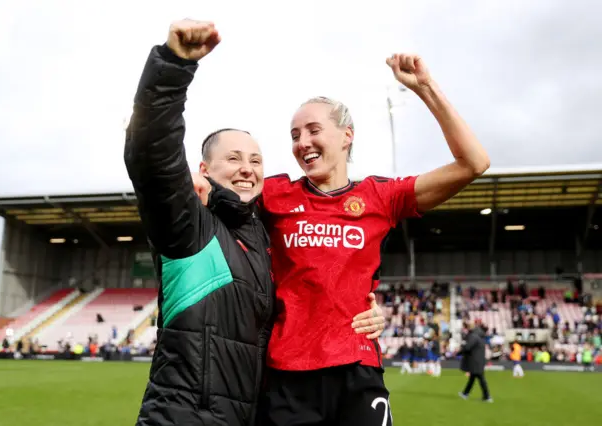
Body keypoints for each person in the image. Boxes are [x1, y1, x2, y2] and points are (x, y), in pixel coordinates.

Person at [193, 35, 489, 426]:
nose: (303, 143)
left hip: (357, 369)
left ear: (347, 135)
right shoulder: (275, 193)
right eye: (295, 135)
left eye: (313, 130)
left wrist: (425, 88)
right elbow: (211, 191)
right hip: (286, 375)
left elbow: (474, 163)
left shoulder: (381, 197)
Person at [124, 19, 386, 426]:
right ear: (203, 169)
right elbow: (152, 156)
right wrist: (173, 66)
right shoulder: (189, 227)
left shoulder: (263, 241)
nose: (247, 169)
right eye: (233, 159)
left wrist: (368, 310)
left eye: (256, 160)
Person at [458, 322, 492, 402]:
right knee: (473, 378)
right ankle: (465, 393)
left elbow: (468, 347)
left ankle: (487, 396)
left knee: (480, 378)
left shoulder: (473, 336)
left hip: (475, 361)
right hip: (478, 360)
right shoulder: (479, 336)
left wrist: (460, 350)